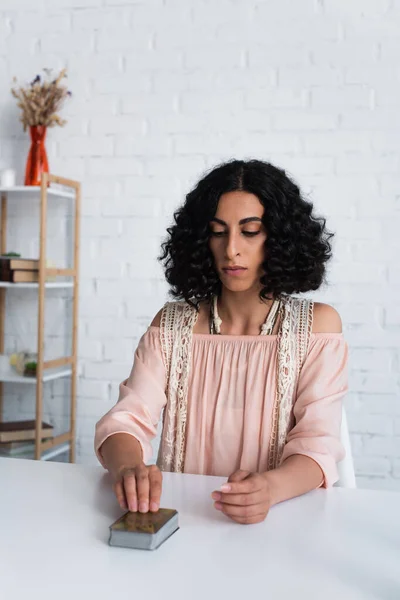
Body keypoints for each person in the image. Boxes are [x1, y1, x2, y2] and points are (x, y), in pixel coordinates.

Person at [94, 159, 348, 525]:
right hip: (185, 519)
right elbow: (125, 420)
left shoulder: (317, 328)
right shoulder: (171, 326)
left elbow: (318, 444)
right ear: (201, 240)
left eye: (250, 231)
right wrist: (128, 467)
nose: (231, 250)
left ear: (278, 238)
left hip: (282, 524)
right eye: (217, 232)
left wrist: (270, 489)